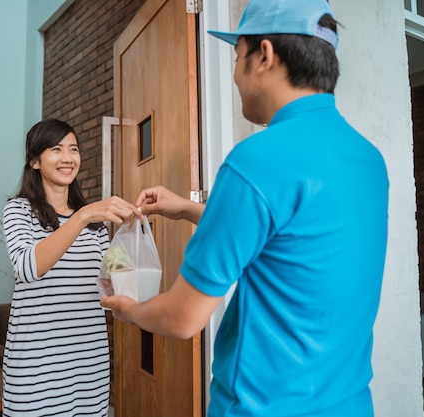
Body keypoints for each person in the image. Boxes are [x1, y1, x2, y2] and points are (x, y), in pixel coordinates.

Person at [101, 0, 389, 416]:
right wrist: (185, 208)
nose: (235, 75)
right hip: (349, 404)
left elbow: (184, 317)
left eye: (238, 57)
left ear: (265, 56)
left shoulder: (256, 159)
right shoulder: (368, 159)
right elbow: (290, 238)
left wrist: (130, 311)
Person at [2, 118, 139, 417]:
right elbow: (28, 267)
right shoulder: (19, 211)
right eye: (56, 149)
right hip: (36, 369)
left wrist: (130, 238)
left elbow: (113, 284)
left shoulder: (96, 225)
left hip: (89, 365)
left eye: (73, 149)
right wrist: (83, 216)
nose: (67, 158)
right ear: (35, 161)